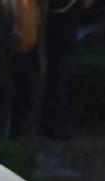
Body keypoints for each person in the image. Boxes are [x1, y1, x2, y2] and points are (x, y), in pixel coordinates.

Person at [37, 0, 91, 142]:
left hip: (59, 32)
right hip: (60, 34)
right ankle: (52, 125)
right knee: (57, 82)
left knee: (57, 81)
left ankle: (51, 123)